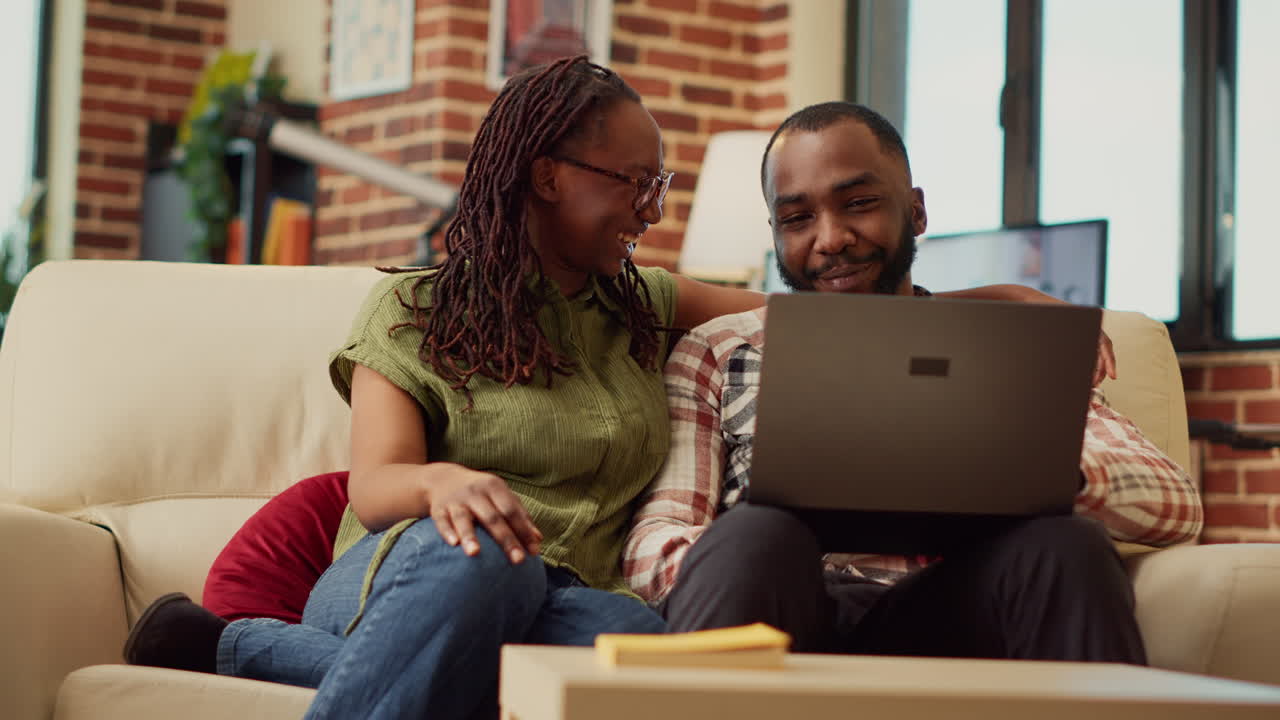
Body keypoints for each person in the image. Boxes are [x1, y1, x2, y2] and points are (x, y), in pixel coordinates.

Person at [622, 101, 1204, 662]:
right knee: (758, 536)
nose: (830, 239)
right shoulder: (721, 349)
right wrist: (747, 545)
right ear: (776, 233)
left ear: (917, 212)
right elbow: (655, 541)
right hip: (782, 611)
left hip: (950, 608)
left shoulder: (1011, 347)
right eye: (798, 218)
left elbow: (1177, 505)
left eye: (859, 203)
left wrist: (1042, 473)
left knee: (1067, 545)